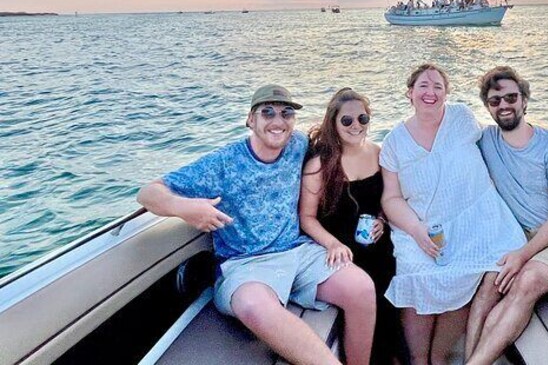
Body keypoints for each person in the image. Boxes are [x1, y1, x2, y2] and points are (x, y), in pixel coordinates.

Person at [137, 84, 376, 365]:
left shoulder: (298, 145)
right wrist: (187, 208)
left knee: (362, 289)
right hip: (245, 264)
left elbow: (342, 140)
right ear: (251, 120)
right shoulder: (223, 163)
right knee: (253, 306)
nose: (278, 121)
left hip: (297, 252)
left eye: (286, 114)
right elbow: (148, 193)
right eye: (268, 113)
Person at [380, 64, 526, 365]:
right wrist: (417, 230)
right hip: (419, 225)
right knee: (417, 273)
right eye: (423, 85)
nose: (430, 92)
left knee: (464, 272)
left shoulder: (461, 118)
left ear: (447, 93)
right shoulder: (395, 141)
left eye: (438, 86)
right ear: (410, 93)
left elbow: (503, 133)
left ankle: (438, 358)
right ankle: (420, 360)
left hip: (475, 219)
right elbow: (391, 197)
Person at [465, 67, 548, 365]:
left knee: (526, 282)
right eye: (495, 101)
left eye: (511, 97)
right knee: (490, 284)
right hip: (519, 233)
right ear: (488, 107)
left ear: (524, 101)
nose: (504, 105)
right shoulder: (487, 141)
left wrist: (522, 256)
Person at [300, 88, 403, 364]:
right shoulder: (319, 166)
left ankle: (392, 355)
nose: (356, 125)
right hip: (339, 248)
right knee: (369, 285)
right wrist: (332, 243)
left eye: (362, 119)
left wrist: (382, 219)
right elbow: (306, 218)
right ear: (333, 123)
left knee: (395, 277)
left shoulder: (380, 154)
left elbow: (387, 198)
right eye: (347, 120)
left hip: (377, 241)